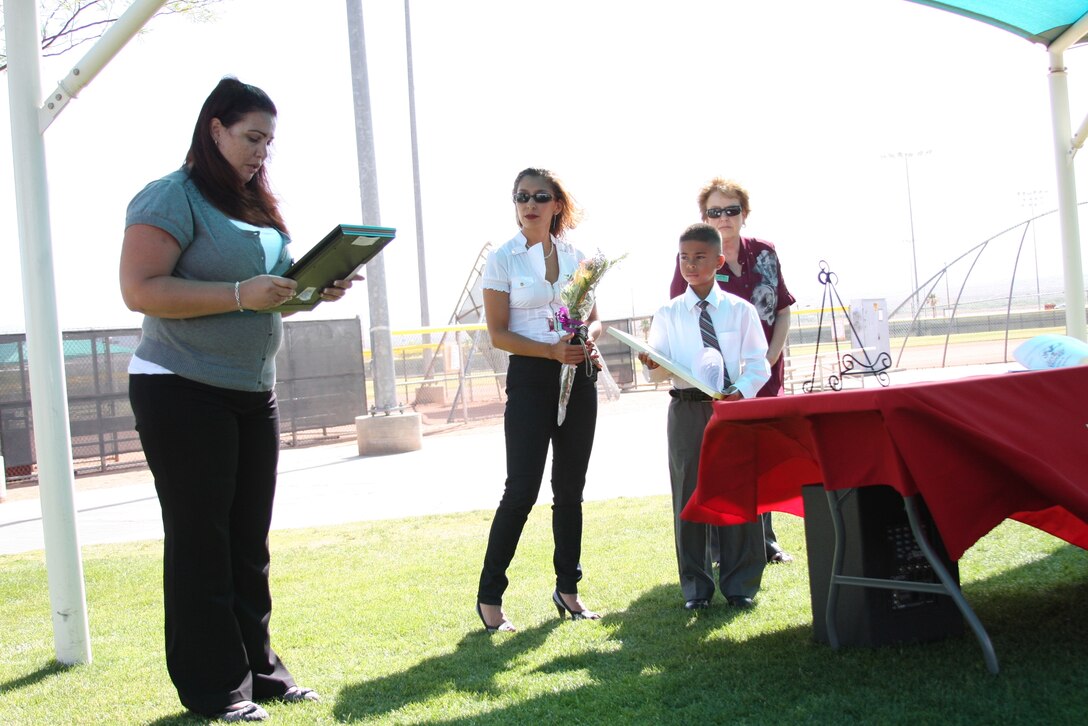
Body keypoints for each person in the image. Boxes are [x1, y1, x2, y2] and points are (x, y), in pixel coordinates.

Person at [119, 77, 360, 722]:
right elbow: (140, 289)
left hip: (251, 391)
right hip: (180, 389)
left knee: (248, 543)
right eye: (252, 137)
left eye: (268, 142)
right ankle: (215, 691)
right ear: (215, 128)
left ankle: (262, 675)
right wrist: (237, 296)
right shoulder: (169, 197)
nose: (261, 153)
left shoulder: (253, 203)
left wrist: (312, 288)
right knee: (203, 541)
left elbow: (267, 289)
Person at [475, 167, 603, 633]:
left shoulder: (579, 257)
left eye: (539, 196)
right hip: (530, 378)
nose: (529, 204)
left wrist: (587, 340)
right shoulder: (502, 259)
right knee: (522, 489)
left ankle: (568, 590)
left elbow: (596, 318)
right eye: (521, 196)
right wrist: (549, 350)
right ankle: (490, 596)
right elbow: (499, 334)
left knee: (571, 490)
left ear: (557, 205)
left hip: (578, 376)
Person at [669, 178, 797, 564]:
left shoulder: (765, 254)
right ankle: (717, 546)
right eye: (714, 212)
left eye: (731, 210)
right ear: (703, 217)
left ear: (744, 213)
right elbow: (682, 316)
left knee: (759, 459)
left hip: (762, 374)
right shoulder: (696, 259)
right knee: (720, 461)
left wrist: (773, 355)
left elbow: (784, 307)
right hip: (717, 386)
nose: (723, 218)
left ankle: (764, 540)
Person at [643, 223, 770, 610]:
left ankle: (740, 584)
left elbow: (758, 364)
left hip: (730, 411)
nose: (691, 265)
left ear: (718, 261)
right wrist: (650, 363)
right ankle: (696, 588)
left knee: (737, 492)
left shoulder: (740, 311)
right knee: (688, 495)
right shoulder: (668, 313)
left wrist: (741, 391)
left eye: (700, 257)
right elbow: (658, 368)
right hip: (685, 410)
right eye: (684, 257)